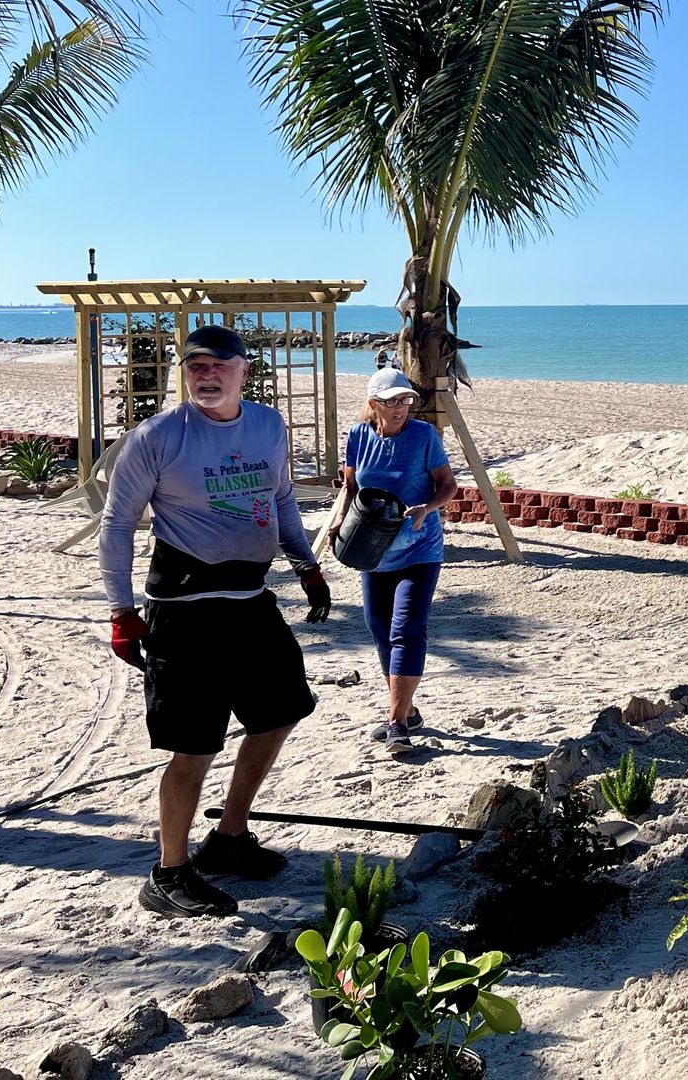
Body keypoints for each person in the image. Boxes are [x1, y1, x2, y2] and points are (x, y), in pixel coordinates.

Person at [101, 324, 331, 918]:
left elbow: (279, 499)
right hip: (184, 609)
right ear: (185, 373)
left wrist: (306, 564)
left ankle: (229, 837)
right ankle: (169, 871)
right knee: (194, 746)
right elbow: (117, 524)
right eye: (195, 365)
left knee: (281, 712)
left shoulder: (267, 426)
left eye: (218, 365)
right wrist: (121, 611)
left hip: (250, 598)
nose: (206, 374)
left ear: (242, 371)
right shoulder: (156, 437)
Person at [326, 367, 457, 753]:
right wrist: (337, 524)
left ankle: (396, 723)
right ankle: (410, 710)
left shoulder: (424, 437)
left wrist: (427, 508)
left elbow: (449, 485)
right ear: (373, 405)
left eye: (406, 400)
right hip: (373, 550)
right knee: (379, 627)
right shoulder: (358, 436)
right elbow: (352, 487)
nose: (402, 408)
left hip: (419, 549)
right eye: (392, 401)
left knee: (406, 629)